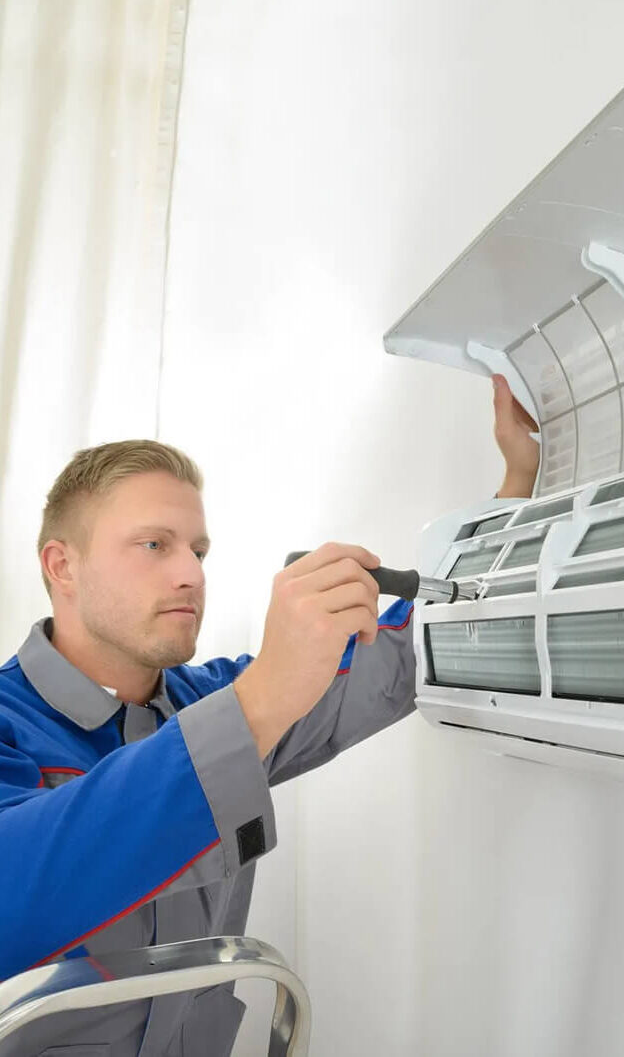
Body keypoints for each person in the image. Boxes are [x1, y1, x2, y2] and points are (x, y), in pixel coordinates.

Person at [0, 374, 539, 1055]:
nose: (190, 574)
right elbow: (11, 897)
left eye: (197, 551)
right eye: (153, 545)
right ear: (62, 566)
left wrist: (518, 484)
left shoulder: (211, 705)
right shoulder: (11, 723)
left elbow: (403, 655)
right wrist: (261, 701)